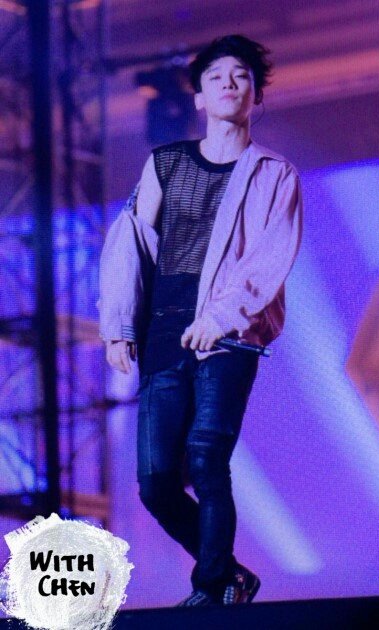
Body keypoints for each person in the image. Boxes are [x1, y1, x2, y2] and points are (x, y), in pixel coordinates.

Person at [98, 34, 303, 606]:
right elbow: (131, 243)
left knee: (208, 457)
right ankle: (230, 573)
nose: (229, 84)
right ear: (199, 97)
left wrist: (223, 316)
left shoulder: (275, 174)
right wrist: (119, 325)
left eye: (240, 76)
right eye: (216, 77)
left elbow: (271, 256)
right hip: (165, 330)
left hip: (229, 338)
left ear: (256, 94)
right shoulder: (166, 163)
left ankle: (211, 588)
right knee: (156, 482)